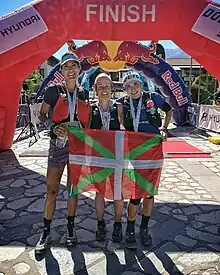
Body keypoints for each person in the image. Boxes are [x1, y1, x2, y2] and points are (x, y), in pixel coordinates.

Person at [35, 53, 89, 254]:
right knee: (52, 189)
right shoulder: (52, 91)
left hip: (77, 147)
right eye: (67, 67)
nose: (71, 70)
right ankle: (46, 232)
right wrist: (52, 126)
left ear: (79, 69)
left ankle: (70, 229)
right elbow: (41, 115)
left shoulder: (84, 93)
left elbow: (87, 121)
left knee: (73, 189)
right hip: (57, 145)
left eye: (74, 65)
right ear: (61, 71)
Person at [118, 71, 172, 249]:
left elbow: (168, 109)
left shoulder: (153, 97)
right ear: (124, 89)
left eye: (135, 84)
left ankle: (144, 228)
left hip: (153, 149)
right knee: (135, 193)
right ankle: (130, 229)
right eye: (128, 86)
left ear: (141, 84)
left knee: (149, 191)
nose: (133, 89)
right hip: (135, 151)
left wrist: (164, 128)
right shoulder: (122, 103)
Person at [89, 73, 124, 243]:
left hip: (116, 156)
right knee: (100, 192)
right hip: (98, 157)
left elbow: (129, 130)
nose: (104, 89)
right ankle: (100, 224)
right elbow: (85, 133)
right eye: (100, 86)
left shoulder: (118, 107)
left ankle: (118, 224)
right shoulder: (90, 109)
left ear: (112, 89)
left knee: (118, 192)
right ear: (95, 90)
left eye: (107, 86)